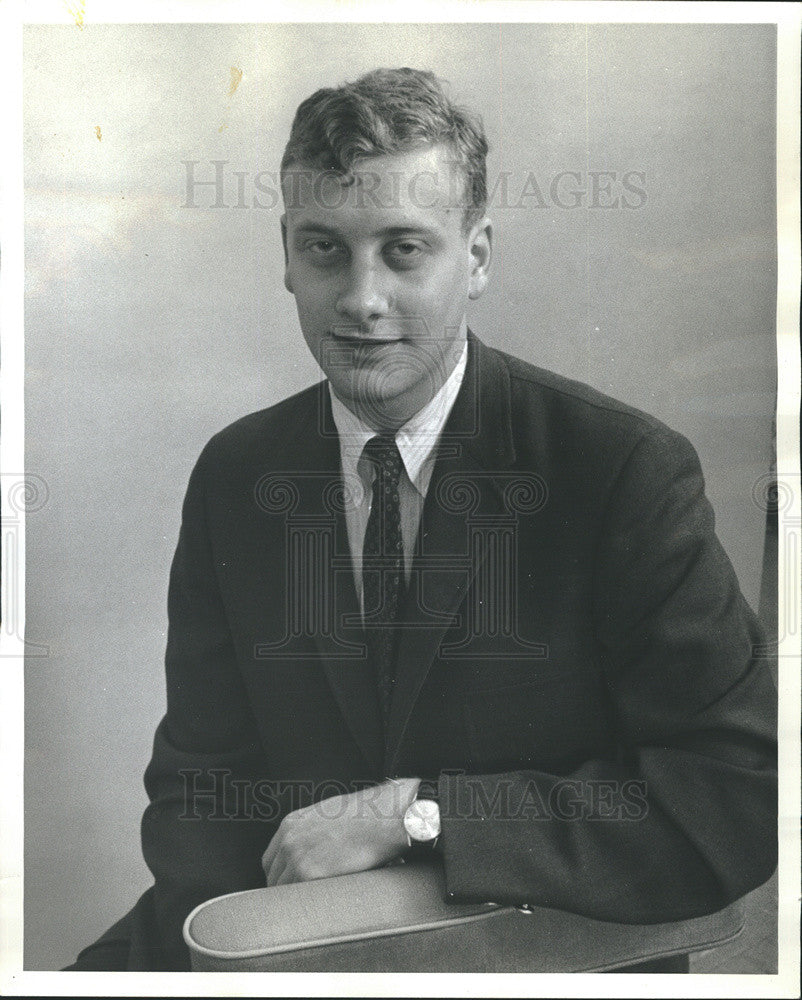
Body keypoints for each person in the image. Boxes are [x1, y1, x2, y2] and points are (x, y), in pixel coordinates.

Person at [67, 67, 777, 973]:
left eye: (405, 250)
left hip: (535, 949)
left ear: (477, 257)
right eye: (326, 248)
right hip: (284, 947)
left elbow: (737, 796)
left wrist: (416, 810)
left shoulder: (618, 469)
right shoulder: (237, 474)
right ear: (285, 255)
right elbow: (196, 792)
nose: (362, 300)